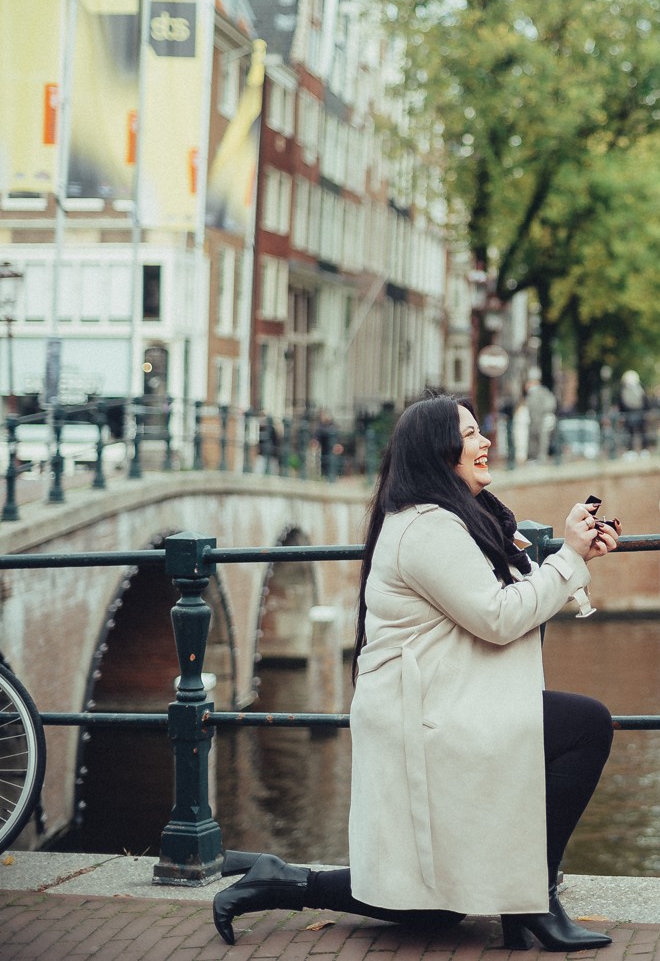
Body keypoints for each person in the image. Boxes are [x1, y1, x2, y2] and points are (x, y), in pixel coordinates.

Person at [212, 393, 619, 950]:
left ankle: (282, 879)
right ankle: (533, 896)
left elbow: (518, 587)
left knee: (432, 908)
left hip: (447, 698)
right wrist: (567, 559)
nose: (485, 442)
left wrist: (575, 551)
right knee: (586, 726)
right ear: (439, 450)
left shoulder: (467, 519)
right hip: (425, 714)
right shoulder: (427, 529)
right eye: (471, 434)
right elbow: (499, 617)